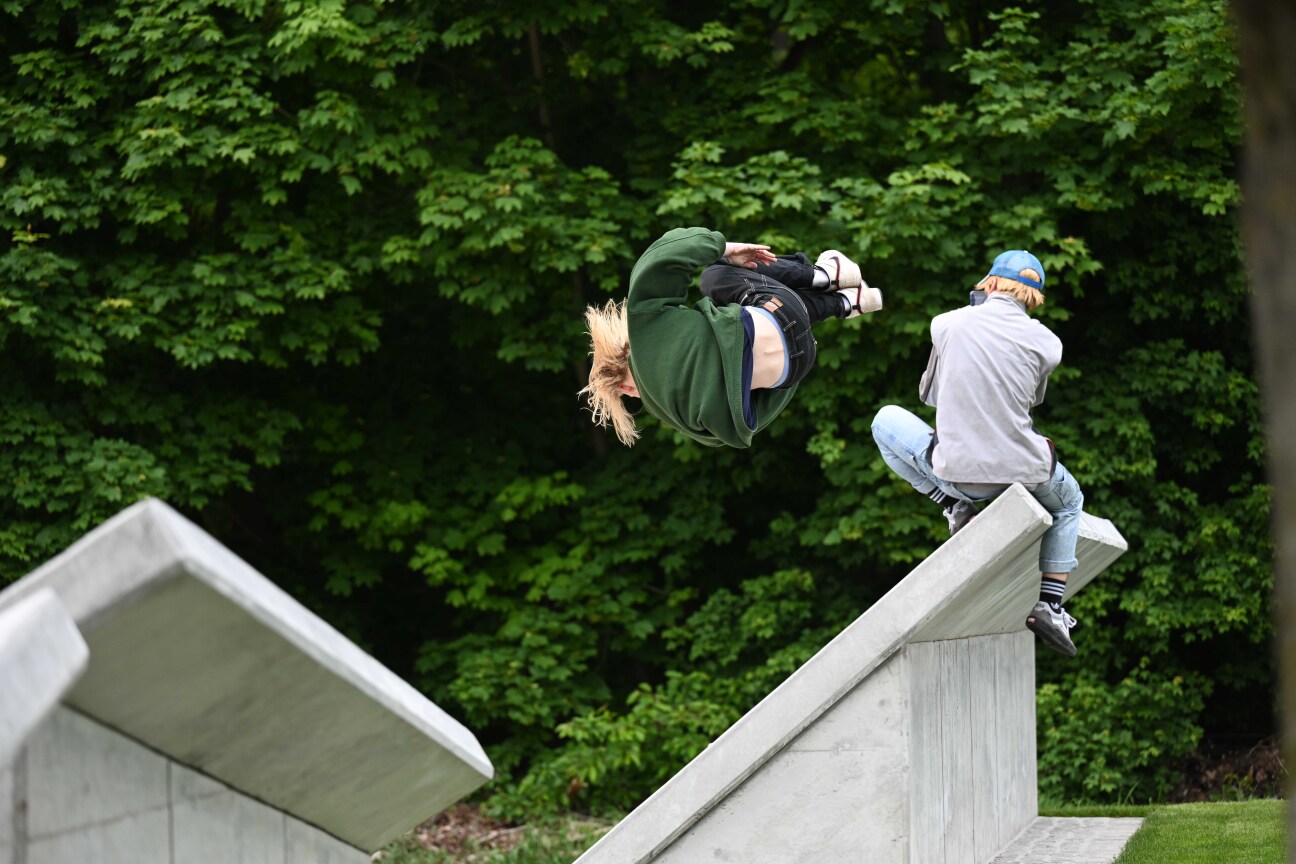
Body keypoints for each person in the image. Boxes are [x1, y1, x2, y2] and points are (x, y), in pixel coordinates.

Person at [870, 250, 1085, 657]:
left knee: (884, 421)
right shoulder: (1048, 343)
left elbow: (928, 395)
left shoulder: (946, 324)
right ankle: (1051, 605)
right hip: (1026, 469)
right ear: (1033, 296)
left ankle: (953, 503)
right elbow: (1031, 400)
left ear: (988, 282)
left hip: (961, 473)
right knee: (1070, 503)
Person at [581, 226, 882, 448]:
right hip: (780, 312)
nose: (633, 395)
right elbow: (665, 254)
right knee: (715, 277)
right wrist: (725, 248)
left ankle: (845, 303)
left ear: (620, 383)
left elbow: (749, 422)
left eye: (624, 394)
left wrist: (790, 379)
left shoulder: (675, 417)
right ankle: (822, 275)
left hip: (799, 360)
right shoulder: (644, 326)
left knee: (755, 326)